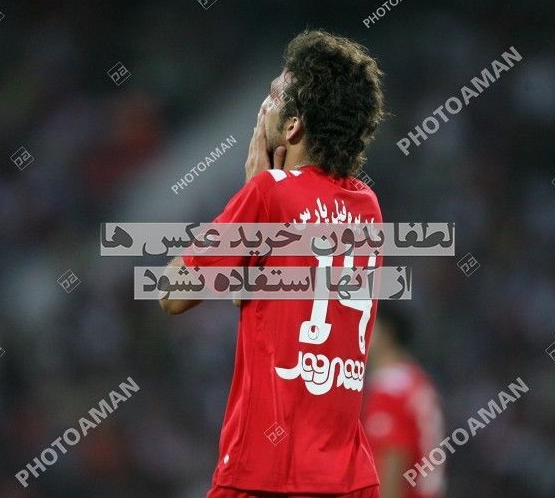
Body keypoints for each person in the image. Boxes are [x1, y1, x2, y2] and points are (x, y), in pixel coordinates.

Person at [159, 29, 386, 498]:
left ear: (293, 126)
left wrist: (249, 193)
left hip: (266, 475)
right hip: (349, 479)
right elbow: (264, 299)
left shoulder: (267, 193)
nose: (262, 107)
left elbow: (173, 293)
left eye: (273, 95)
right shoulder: (368, 206)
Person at [362, 306, 445, 498]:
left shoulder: (390, 389)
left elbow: (394, 458)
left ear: (387, 333)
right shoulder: (417, 381)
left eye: (368, 323)